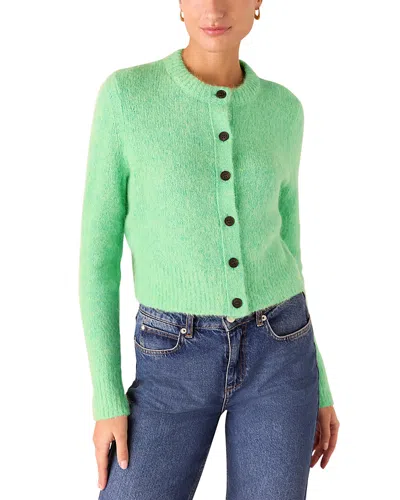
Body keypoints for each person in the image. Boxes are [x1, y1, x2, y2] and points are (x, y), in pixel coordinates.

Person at [79, 1, 340, 498]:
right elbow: (98, 258)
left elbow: (289, 252)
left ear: (258, 3)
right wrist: (107, 398)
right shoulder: (127, 98)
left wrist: (320, 385)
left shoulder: (284, 110)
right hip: (171, 357)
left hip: (282, 354)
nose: (215, 8)